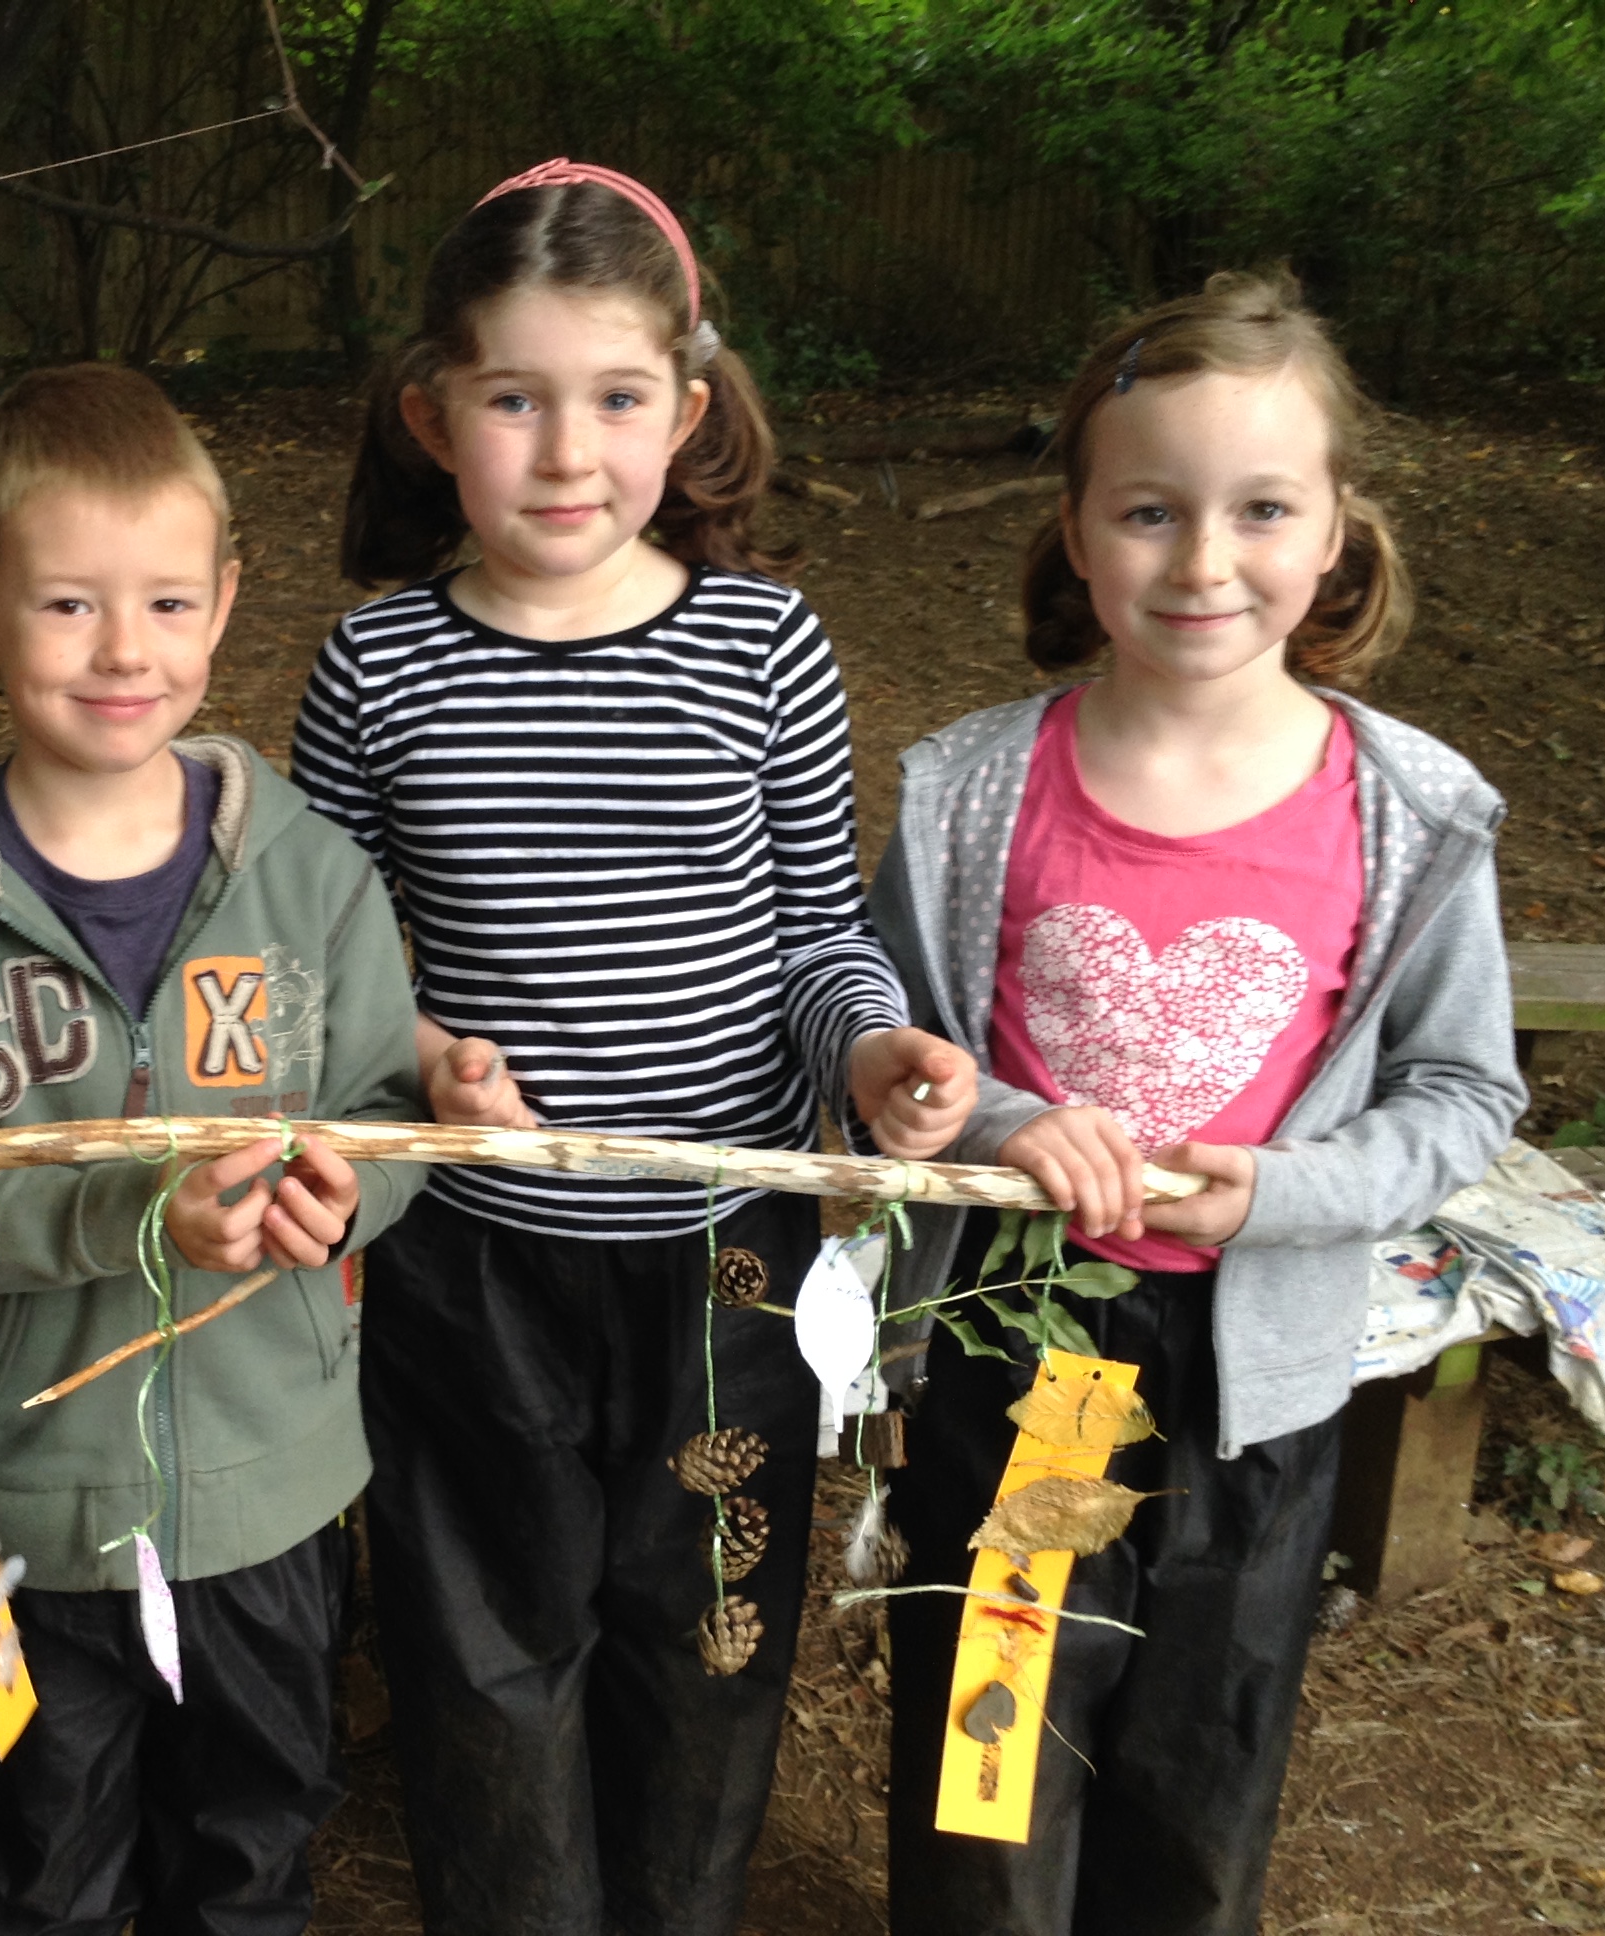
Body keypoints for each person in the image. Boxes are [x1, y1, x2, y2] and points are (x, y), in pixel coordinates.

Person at [287, 159, 976, 1936]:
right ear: (436, 415)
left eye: (614, 398)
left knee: (705, 1632)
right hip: (466, 1265)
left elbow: (821, 937)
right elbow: (320, 970)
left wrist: (878, 1049)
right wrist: (421, 1054)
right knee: (486, 1641)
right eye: (515, 398)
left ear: (689, 403)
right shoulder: (376, 667)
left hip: (721, 1266)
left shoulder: (761, 646)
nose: (568, 451)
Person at [867, 270, 1526, 1935]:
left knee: (1201, 1745)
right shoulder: (973, 789)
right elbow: (875, 1023)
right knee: (996, 1743)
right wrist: (1009, 1120)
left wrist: (1280, 1193)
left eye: (1260, 509)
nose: (1205, 560)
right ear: (1079, 532)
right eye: (1151, 510)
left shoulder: (1410, 812)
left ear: (1335, 538)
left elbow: (1462, 1091)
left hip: (1255, 1373)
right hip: (1041, 1366)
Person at [0, 361, 426, 1935]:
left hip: (273, 1491)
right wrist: (145, 1222)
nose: (125, 652)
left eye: (167, 603)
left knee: (253, 1843)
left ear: (224, 605)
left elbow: (390, 1110)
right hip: (33, 1504)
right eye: (67, 605)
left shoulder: (314, 875)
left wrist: (351, 1197)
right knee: (35, 1859)